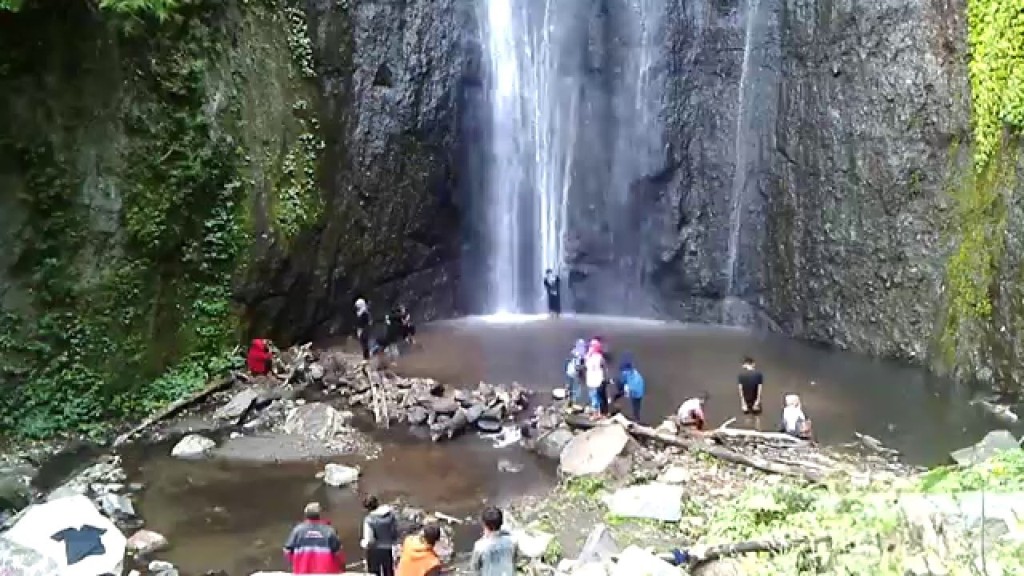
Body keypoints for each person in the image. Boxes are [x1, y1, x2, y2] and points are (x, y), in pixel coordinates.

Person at [283, 502, 345, 575]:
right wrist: (341, 567)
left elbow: (287, 551)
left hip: (302, 573)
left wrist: (296, 564)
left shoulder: (297, 530)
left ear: (306, 515)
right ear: (320, 515)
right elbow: (339, 554)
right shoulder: (329, 531)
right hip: (325, 573)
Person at [470, 506, 517, 576]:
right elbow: (514, 559)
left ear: (484, 525)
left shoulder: (480, 546)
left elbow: (475, 568)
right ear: (501, 522)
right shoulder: (512, 541)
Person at [361, 495, 399, 576]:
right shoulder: (390, 515)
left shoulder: (369, 520)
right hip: (389, 548)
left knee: (374, 572)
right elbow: (395, 531)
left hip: (375, 550)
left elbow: (370, 540)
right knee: (389, 571)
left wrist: (363, 543)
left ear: (367, 508)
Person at [618, 353, 646, 422]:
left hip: (634, 391)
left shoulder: (626, 373)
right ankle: (637, 418)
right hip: (639, 391)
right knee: (637, 406)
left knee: (634, 404)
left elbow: (622, 381)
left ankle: (635, 419)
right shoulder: (635, 372)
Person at [584, 339, 606, 417]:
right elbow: (603, 366)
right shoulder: (599, 357)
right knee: (596, 397)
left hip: (591, 380)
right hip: (597, 380)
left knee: (593, 397)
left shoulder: (588, 356)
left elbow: (586, 365)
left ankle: (596, 413)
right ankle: (598, 413)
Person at [564, 339, 587, 405]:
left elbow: (567, 362)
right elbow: (578, 366)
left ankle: (568, 400)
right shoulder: (582, 354)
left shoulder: (573, 352)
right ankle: (574, 402)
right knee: (576, 388)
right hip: (575, 373)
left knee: (569, 386)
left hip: (569, 372)